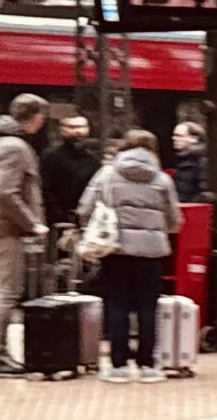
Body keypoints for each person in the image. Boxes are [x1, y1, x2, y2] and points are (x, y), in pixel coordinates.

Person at [78, 128, 182, 380]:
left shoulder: (107, 174)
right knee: (148, 306)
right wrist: (157, 231)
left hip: (116, 249)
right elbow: (174, 220)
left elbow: (85, 209)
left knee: (117, 304)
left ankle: (118, 365)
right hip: (152, 252)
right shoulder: (162, 179)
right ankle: (148, 365)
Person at [0, 94, 49, 377]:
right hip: (4, 230)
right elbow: (6, 193)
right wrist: (33, 224)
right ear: (36, 118)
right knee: (7, 294)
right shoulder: (15, 147)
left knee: (2, 293)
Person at [40, 112, 102, 246]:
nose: (77, 131)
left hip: (86, 222)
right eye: (71, 127)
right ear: (62, 130)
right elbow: (45, 188)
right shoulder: (50, 156)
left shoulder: (93, 159)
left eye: (81, 127)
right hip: (57, 223)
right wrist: (58, 216)